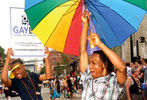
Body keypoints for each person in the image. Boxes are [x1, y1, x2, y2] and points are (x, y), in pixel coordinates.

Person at [80, 10, 127, 100]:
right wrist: (85, 23)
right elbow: (83, 52)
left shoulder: (114, 81)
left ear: (104, 64)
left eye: (94, 63)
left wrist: (100, 44)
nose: (90, 66)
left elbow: (122, 68)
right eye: (90, 63)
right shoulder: (88, 79)